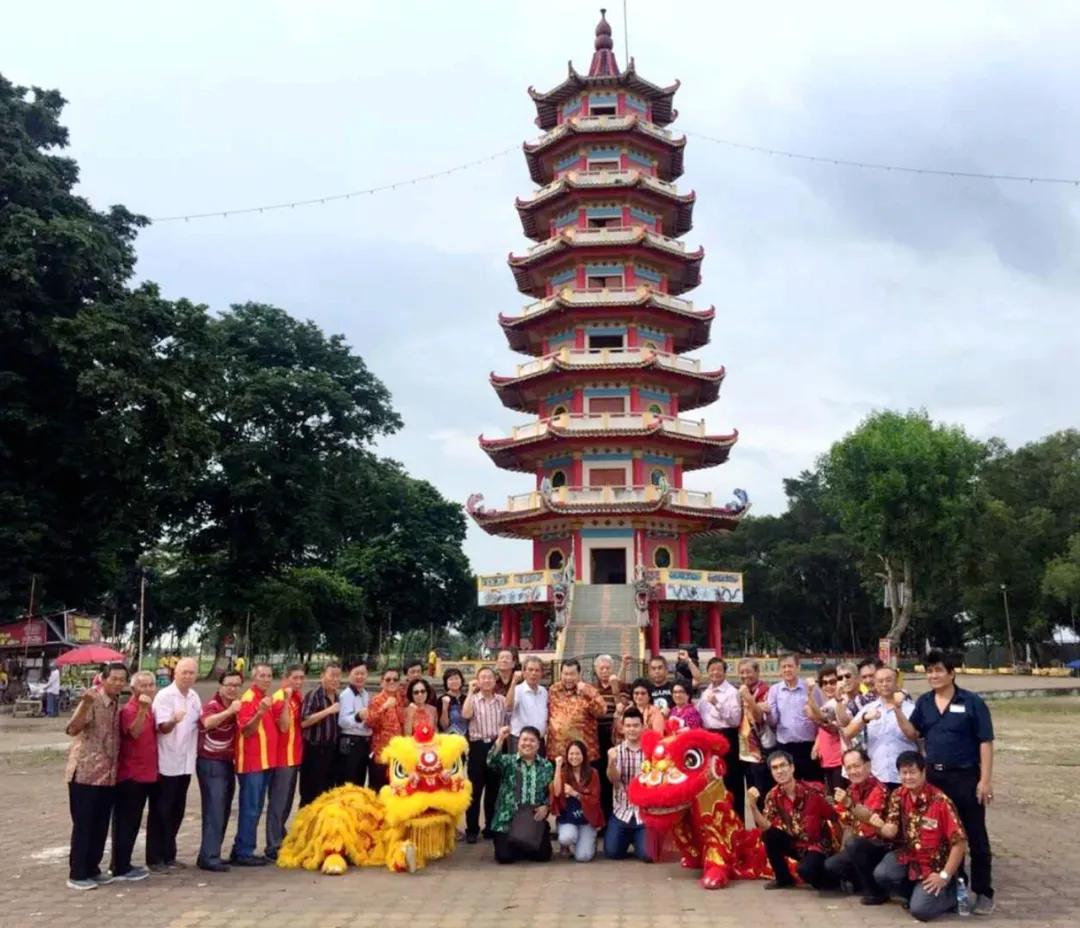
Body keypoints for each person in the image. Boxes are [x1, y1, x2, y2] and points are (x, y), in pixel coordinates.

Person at [896, 650, 995, 915]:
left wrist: (985, 780)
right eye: (929, 671)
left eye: (939, 670)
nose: (933, 675)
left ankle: (984, 892)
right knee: (942, 837)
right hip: (935, 778)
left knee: (974, 836)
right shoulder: (925, 703)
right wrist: (895, 708)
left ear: (952, 672)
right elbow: (913, 733)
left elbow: (985, 742)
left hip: (965, 777)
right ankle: (955, 889)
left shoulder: (972, 702)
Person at [872, 751, 967, 921]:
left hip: (936, 866)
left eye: (913, 772)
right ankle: (918, 892)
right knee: (882, 873)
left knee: (920, 911)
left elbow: (959, 843)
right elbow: (890, 829)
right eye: (904, 773)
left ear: (923, 772)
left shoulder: (941, 802)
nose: (908, 777)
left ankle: (950, 893)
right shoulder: (898, 795)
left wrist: (944, 876)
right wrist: (876, 823)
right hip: (911, 858)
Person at [64, 662, 127, 890]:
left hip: (108, 775)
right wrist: (84, 704)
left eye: (122, 679)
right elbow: (72, 729)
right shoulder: (92, 700)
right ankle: (77, 873)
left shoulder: (117, 704)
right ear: (103, 678)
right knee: (84, 824)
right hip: (85, 774)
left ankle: (93, 868)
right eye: (114, 679)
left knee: (100, 824)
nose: (118, 683)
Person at [749, 749, 838, 890]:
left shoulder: (815, 790)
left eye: (783, 765)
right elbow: (766, 826)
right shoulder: (772, 795)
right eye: (775, 768)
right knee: (769, 834)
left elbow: (836, 817)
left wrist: (839, 849)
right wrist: (753, 806)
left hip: (818, 846)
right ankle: (783, 879)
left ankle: (834, 880)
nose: (779, 771)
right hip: (796, 844)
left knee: (806, 871)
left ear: (792, 767)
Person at [147, 655, 200, 872]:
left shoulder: (195, 697)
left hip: (186, 763)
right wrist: (173, 720)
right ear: (175, 674)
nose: (187, 676)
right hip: (167, 763)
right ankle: (154, 857)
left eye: (191, 673)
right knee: (161, 810)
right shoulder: (165, 696)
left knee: (177, 810)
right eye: (183, 672)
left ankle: (169, 854)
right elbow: (162, 728)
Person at [108, 669, 157, 882]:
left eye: (150, 685)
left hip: (146, 773)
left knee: (134, 821)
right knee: (125, 822)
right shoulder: (130, 709)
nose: (147, 689)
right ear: (134, 688)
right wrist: (142, 709)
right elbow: (134, 732)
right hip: (130, 775)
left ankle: (124, 862)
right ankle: (119, 866)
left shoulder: (150, 709)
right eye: (142, 685)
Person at [823, 747, 889, 898]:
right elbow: (847, 823)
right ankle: (860, 882)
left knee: (854, 844)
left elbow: (870, 819)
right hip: (857, 844)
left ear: (868, 765)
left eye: (857, 766)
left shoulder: (879, 789)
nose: (853, 771)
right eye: (849, 768)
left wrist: (849, 804)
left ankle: (876, 892)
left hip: (878, 844)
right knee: (831, 865)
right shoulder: (852, 789)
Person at [231, 662, 278, 866]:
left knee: (257, 807)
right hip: (252, 763)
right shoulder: (249, 699)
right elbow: (247, 730)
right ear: (254, 678)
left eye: (269, 676)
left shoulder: (266, 698)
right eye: (262, 676)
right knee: (250, 808)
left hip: (265, 761)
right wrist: (259, 712)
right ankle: (243, 851)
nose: (266, 679)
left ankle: (245, 847)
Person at [843, 665, 918, 791]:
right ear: (876, 685)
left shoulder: (911, 708)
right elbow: (848, 733)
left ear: (896, 683)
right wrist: (865, 719)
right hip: (878, 777)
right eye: (880, 681)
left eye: (888, 680)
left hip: (905, 777)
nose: (884, 684)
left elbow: (914, 735)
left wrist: (897, 709)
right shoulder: (868, 709)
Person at [196, 669, 242, 872]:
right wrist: (230, 711)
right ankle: (209, 856)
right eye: (228, 685)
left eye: (236, 685)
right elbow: (207, 722)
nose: (232, 689)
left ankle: (211, 852)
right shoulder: (213, 705)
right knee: (214, 809)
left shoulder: (233, 705)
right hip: (211, 762)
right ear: (220, 686)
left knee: (223, 809)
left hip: (226, 762)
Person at [487, 724, 554, 864]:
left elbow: (551, 792)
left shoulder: (546, 766)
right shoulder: (508, 761)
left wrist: (546, 806)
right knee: (504, 857)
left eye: (532, 740)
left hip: (532, 819)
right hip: (507, 820)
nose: (527, 743)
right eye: (524, 740)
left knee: (543, 857)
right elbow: (491, 762)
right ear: (518, 742)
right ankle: (516, 845)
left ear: (538, 744)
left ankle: (523, 845)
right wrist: (500, 739)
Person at [265, 663, 304, 861]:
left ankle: (280, 837)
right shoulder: (281, 698)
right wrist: (288, 699)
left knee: (287, 802)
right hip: (282, 758)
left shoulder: (297, 697)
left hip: (294, 757)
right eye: (294, 678)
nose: (298, 682)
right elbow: (283, 726)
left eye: (300, 678)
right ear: (285, 679)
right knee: (278, 804)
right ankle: (272, 845)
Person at [462, 666, 506, 843]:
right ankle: (472, 828)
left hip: (496, 745)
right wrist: (470, 692)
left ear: (495, 681)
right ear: (477, 681)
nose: (486, 680)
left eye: (489, 677)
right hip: (477, 747)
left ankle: (490, 826)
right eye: (483, 678)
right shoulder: (473, 699)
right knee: (475, 790)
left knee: (493, 790)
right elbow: (466, 714)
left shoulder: (501, 700)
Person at [697, 657, 744, 818]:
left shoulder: (732, 692)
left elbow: (735, 720)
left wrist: (717, 703)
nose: (715, 672)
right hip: (708, 738)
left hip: (726, 737)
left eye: (719, 669)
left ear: (725, 672)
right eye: (712, 669)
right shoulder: (705, 692)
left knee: (730, 781)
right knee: (711, 781)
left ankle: (736, 821)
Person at [604, 707, 650, 861]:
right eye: (628, 726)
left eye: (636, 725)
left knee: (647, 855)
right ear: (622, 728)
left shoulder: (651, 752)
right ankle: (629, 838)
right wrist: (611, 762)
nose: (632, 729)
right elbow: (614, 780)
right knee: (613, 853)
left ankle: (639, 840)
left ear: (643, 727)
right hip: (622, 811)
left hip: (644, 813)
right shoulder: (616, 751)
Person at [767, 654, 823, 783]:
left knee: (811, 785)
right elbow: (773, 721)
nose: (787, 670)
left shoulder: (811, 688)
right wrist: (768, 713)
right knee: (788, 785)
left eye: (790, 666)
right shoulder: (775, 690)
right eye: (784, 667)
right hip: (785, 746)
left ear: (798, 667)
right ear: (780, 670)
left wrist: (818, 742)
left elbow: (822, 717)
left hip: (808, 746)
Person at [551, 739, 604, 861]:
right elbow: (557, 792)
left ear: (584, 755)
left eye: (578, 754)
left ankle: (587, 840)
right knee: (566, 837)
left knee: (583, 857)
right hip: (569, 818)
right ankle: (569, 843)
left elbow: (594, 799)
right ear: (567, 756)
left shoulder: (593, 773)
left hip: (586, 820)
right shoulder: (564, 773)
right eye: (571, 754)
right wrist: (558, 767)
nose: (574, 757)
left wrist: (574, 793)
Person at [547, 658, 606, 763]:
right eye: (565, 674)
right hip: (558, 752)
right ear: (561, 674)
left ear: (579, 674)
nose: (568, 678)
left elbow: (601, 711)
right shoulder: (553, 690)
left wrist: (587, 693)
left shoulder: (588, 690)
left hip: (583, 751)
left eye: (572, 674)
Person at [299, 662, 341, 805]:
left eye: (337, 676)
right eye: (331, 676)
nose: (335, 679)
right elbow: (304, 722)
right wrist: (328, 711)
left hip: (331, 751)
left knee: (327, 792)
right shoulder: (314, 695)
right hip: (314, 750)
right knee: (311, 793)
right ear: (322, 676)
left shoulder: (337, 696)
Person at [737, 658, 774, 812]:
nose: (745, 675)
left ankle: (769, 830)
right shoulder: (740, 690)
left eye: (749, 671)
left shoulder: (766, 690)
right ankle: (758, 832)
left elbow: (759, 718)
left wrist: (748, 698)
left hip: (761, 749)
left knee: (763, 792)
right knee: (751, 793)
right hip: (745, 749)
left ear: (757, 672)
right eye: (742, 672)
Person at [592, 654, 623, 820]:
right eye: (601, 668)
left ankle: (617, 814)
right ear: (596, 671)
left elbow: (622, 707)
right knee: (600, 774)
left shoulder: (621, 686)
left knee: (616, 773)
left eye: (607, 668)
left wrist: (615, 689)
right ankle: (602, 815)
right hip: (596, 735)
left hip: (615, 735)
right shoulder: (591, 688)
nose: (604, 671)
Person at [806, 667, 845, 792]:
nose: (829, 686)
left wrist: (810, 701)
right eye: (824, 683)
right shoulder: (827, 703)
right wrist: (816, 746)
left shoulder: (840, 703)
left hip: (839, 761)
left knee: (840, 801)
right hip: (827, 760)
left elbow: (824, 721)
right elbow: (822, 728)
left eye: (832, 682)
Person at [367, 667, 406, 791]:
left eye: (395, 679)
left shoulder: (401, 699)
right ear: (382, 682)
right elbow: (370, 723)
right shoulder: (376, 700)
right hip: (381, 754)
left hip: (398, 754)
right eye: (388, 679)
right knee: (379, 791)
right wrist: (384, 707)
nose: (391, 682)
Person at [337, 661, 372, 788]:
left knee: (359, 782)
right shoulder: (346, 695)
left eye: (363, 673)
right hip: (350, 743)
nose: (360, 677)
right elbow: (342, 721)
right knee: (348, 783)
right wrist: (357, 717)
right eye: (356, 673)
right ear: (349, 675)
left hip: (363, 743)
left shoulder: (365, 694)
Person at [506, 656, 548, 753]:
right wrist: (513, 683)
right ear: (524, 672)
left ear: (541, 673)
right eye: (530, 670)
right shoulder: (517, 690)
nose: (533, 673)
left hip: (538, 741)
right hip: (520, 741)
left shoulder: (544, 691)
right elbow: (508, 707)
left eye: (537, 670)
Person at [438, 667, 468, 736]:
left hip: (466, 738)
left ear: (461, 680)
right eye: (451, 679)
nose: (454, 681)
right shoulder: (442, 699)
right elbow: (444, 726)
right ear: (446, 682)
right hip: (449, 739)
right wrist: (445, 708)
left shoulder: (466, 698)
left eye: (457, 678)